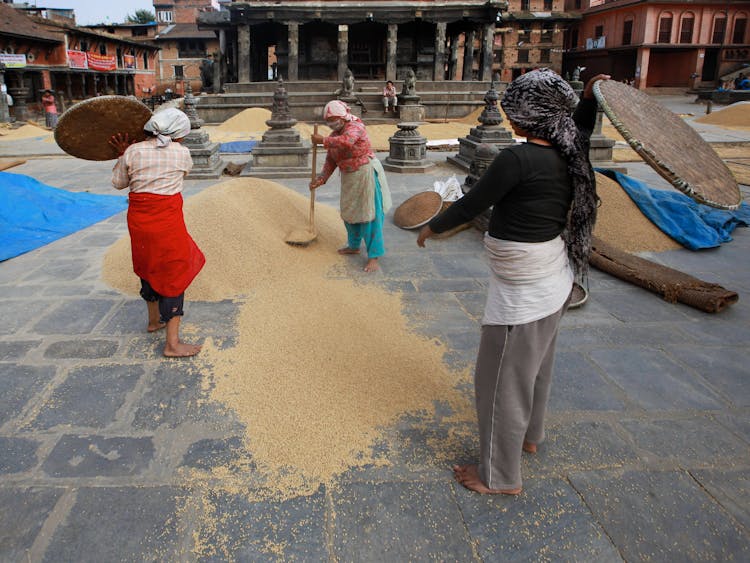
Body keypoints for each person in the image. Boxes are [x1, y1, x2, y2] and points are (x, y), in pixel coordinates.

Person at [417, 69, 609, 495]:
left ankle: (499, 476)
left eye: (514, 111)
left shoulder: (516, 159)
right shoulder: (569, 147)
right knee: (534, 369)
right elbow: (582, 124)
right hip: (552, 280)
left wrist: (431, 227)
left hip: (526, 293)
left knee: (499, 382)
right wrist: (590, 97)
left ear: (528, 117)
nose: (509, 119)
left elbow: (472, 204)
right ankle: (529, 437)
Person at [108, 108, 205, 357]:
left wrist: (122, 155)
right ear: (178, 135)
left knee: (148, 263)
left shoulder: (132, 151)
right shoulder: (182, 153)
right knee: (174, 270)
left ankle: (154, 321)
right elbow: (184, 172)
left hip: (140, 222)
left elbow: (119, 183)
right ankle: (172, 344)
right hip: (168, 222)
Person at [309, 100, 392, 273]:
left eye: (333, 119)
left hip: (365, 175)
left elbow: (347, 141)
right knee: (349, 213)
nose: (331, 122)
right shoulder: (334, 135)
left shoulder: (355, 126)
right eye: (328, 120)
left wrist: (322, 140)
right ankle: (354, 245)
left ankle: (374, 256)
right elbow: (331, 160)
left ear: (343, 117)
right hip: (349, 178)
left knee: (369, 215)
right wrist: (321, 179)